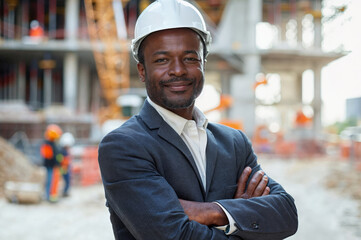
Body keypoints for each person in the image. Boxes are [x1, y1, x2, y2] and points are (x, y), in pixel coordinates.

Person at [98, 0, 298, 239]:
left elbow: (287, 215)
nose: (178, 70)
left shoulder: (234, 142)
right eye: (162, 60)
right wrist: (242, 216)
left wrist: (214, 212)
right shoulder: (123, 146)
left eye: (190, 58)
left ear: (203, 62)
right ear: (142, 71)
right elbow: (172, 236)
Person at [40, 124, 63, 202]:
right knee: (50, 181)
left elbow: (55, 155)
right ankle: (48, 196)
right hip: (51, 166)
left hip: (52, 166)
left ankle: (50, 196)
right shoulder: (48, 144)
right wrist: (57, 163)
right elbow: (49, 156)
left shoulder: (51, 144)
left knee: (53, 182)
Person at [59, 132, 75, 197]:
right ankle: (65, 192)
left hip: (66, 167)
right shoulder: (63, 151)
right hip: (64, 168)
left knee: (67, 180)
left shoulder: (65, 151)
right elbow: (62, 160)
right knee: (66, 180)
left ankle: (65, 192)